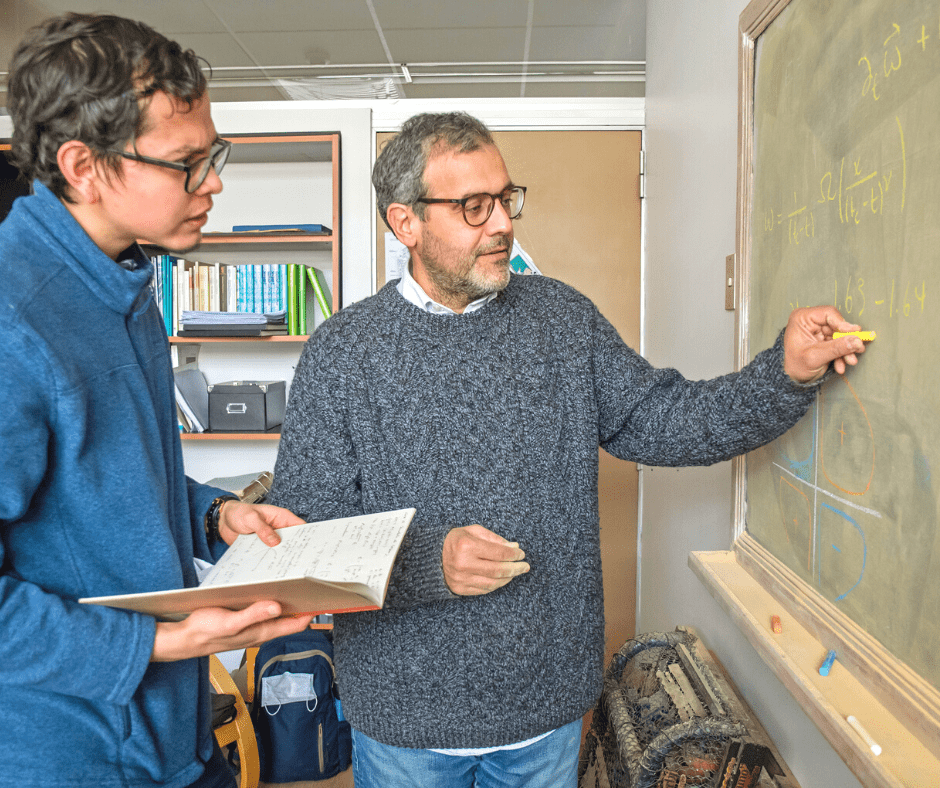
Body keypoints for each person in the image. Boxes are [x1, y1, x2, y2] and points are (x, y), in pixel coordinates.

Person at [268, 111, 867, 787]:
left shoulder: (563, 320)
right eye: (473, 207)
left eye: (506, 198)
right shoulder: (342, 355)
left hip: (544, 716)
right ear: (405, 223)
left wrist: (784, 372)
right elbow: (307, 542)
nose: (501, 224)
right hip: (404, 726)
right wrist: (427, 563)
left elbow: (667, 420)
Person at [0, 13, 313, 788]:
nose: (213, 183)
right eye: (187, 163)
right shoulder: (14, 320)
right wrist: (161, 643)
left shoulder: (126, 281)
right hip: (73, 756)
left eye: (214, 155)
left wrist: (215, 516)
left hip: (172, 736)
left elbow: (104, 478)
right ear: (86, 166)